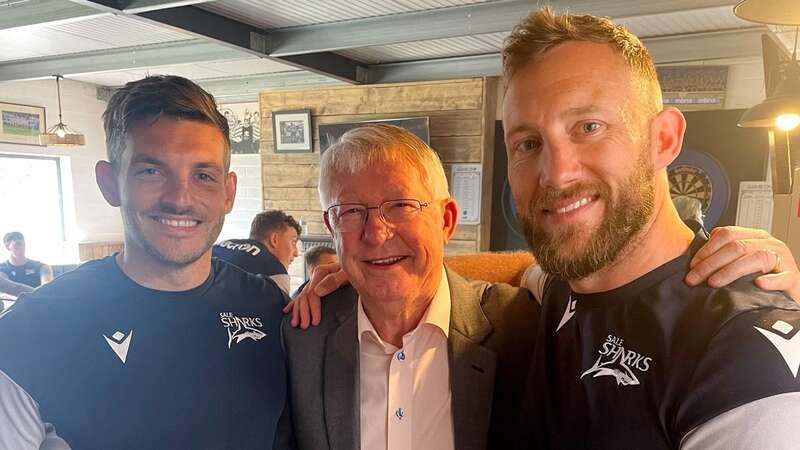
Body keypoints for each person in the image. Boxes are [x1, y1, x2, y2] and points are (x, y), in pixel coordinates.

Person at [501, 9, 800, 449]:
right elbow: (522, 271)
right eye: (528, 143)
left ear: (663, 139)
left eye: (589, 127)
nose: (556, 174)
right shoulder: (562, 285)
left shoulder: (741, 352)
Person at [0, 75, 287, 449]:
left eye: (203, 175)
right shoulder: (27, 334)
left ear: (228, 192)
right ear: (109, 182)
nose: (180, 198)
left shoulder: (271, 308)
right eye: (151, 171)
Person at [282, 124, 540, 450]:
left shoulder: (519, 323)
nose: (375, 234)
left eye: (401, 205)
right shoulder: (303, 335)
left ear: (446, 220)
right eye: (350, 212)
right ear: (331, 227)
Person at [213, 209, 301, 294]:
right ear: (274, 239)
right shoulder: (275, 272)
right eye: (293, 242)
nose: (296, 253)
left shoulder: (218, 246)